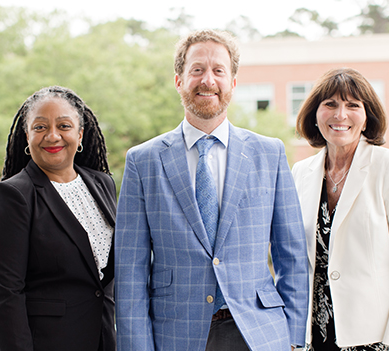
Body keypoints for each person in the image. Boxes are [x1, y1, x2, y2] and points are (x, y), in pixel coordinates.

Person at [115, 29, 309, 351]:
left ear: (233, 82)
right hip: (176, 335)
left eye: (219, 70)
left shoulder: (269, 153)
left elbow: (292, 258)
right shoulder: (143, 161)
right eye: (197, 70)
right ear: (179, 80)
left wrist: (293, 339)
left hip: (258, 333)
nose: (208, 80)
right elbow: (130, 271)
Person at [291, 68, 389, 351]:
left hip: (380, 340)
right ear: (314, 114)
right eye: (330, 104)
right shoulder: (301, 173)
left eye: (352, 105)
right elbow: (297, 265)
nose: (340, 115)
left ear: (367, 116)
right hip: (316, 338)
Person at [0, 86, 116, 351]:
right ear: (27, 136)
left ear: (80, 135)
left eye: (64, 125)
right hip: (38, 343)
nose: (53, 136)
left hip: (97, 338)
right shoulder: (12, 196)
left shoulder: (102, 183)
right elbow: (4, 296)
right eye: (40, 127)